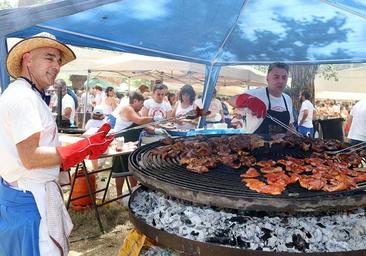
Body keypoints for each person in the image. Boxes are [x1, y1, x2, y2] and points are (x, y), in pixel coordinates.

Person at [0, 32, 113, 256]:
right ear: (27, 59)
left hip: (21, 193)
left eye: (59, 60)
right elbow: (30, 157)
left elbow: (38, 146)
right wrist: (81, 148)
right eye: (49, 58)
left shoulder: (26, 93)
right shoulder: (24, 98)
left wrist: (83, 146)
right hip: (30, 198)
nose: (57, 65)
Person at [229, 62, 294, 135]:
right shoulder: (255, 94)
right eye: (276, 77)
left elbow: (289, 125)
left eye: (284, 77)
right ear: (267, 78)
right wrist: (248, 99)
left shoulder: (287, 99)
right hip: (256, 144)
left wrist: (297, 137)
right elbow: (231, 100)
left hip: (280, 145)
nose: (280, 81)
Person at [112, 92, 154, 197]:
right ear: (135, 101)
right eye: (141, 104)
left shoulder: (136, 112)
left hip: (132, 146)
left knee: (133, 169)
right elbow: (139, 121)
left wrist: (157, 130)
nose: (142, 106)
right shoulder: (128, 109)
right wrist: (154, 118)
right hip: (121, 145)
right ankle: (119, 196)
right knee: (120, 171)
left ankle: (133, 192)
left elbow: (146, 127)